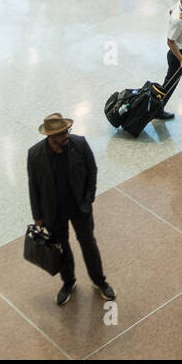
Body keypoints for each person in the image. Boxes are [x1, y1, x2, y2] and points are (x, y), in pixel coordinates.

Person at [27, 112, 115, 306]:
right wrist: (38, 216)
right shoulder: (35, 155)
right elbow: (33, 187)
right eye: (61, 134)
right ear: (50, 137)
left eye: (67, 131)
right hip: (54, 211)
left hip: (79, 207)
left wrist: (89, 197)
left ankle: (99, 281)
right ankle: (68, 283)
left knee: (89, 245)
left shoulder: (79, 144)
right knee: (62, 248)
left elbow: (92, 170)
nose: (66, 136)